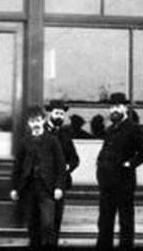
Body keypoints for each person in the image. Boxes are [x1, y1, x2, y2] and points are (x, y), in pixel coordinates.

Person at [95, 92, 143, 250]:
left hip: (124, 182)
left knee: (125, 220)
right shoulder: (111, 129)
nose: (114, 110)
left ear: (125, 108)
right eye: (112, 107)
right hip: (106, 184)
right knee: (105, 220)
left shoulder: (133, 128)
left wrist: (129, 164)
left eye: (118, 106)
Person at [10, 105, 66, 249]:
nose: (35, 124)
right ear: (29, 123)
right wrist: (14, 188)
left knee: (48, 224)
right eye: (32, 121)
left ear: (43, 121)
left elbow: (61, 167)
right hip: (29, 188)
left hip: (47, 188)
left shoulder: (52, 141)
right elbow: (17, 167)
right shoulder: (24, 142)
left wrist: (59, 186)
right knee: (32, 225)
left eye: (38, 120)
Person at [44, 99, 80, 238]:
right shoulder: (41, 131)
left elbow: (75, 159)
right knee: (44, 222)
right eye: (56, 113)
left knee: (56, 221)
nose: (59, 116)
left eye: (61, 113)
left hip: (60, 183)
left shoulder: (65, 134)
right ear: (50, 114)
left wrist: (67, 167)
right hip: (43, 183)